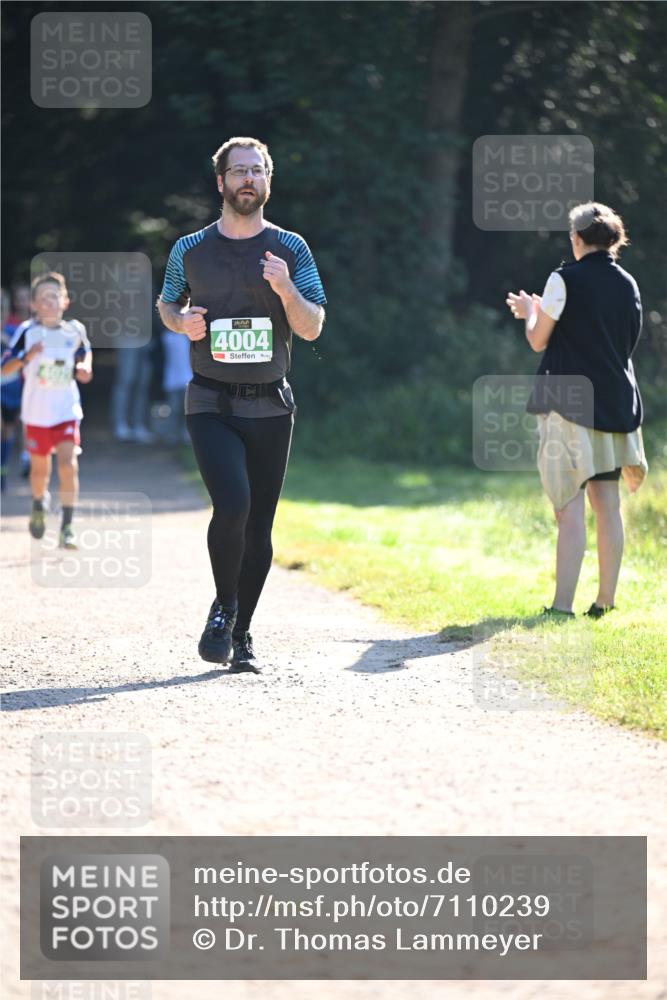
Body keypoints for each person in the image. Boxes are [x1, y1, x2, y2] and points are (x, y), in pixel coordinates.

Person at [158, 136, 326, 672]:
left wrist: (285, 291)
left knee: (260, 529)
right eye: (239, 171)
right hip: (210, 399)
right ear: (221, 182)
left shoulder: (291, 249)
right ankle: (223, 609)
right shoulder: (189, 248)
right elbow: (166, 304)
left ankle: (242, 632)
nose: (248, 179)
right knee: (232, 505)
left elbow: (313, 325)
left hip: (272, 405)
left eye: (257, 170)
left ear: (269, 181)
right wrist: (180, 322)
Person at [506, 201, 647, 618]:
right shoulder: (629, 284)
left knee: (568, 506)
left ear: (577, 238)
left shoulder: (562, 278)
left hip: (569, 406)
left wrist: (531, 312)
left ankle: (561, 606)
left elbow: (538, 340)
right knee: (608, 503)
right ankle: (605, 601)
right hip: (617, 404)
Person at [1, 272, 93, 547]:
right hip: (37, 414)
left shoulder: (74, 330)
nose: (50, 302)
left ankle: (67, 527)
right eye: (43, 298)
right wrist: (28, 357)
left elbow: (84, 353)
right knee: (40, 471)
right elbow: (6, 368)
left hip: (66, 410)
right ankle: (39, 504)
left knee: (68, 465)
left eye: (55, 296)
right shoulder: (27, 332)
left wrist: (85, 367)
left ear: (65, 301)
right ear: (33, 305)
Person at [1, 283, 32, 488]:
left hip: (15, 387)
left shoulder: (14, 330)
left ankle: (10, 466)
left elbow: (25, 354)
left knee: (10, 430)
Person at [161, 324, 192, 444]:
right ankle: (172, 435)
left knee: (187, 410)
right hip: (172, 380)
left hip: (187, 379)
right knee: (174, 409)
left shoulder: (187, 338)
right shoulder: (167, 337)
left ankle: (186, 434)